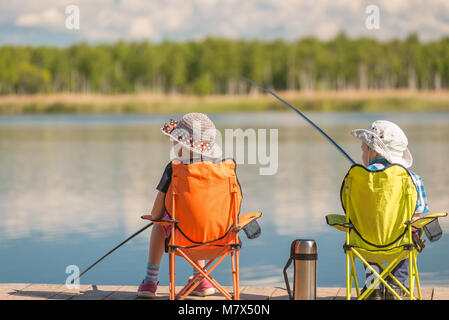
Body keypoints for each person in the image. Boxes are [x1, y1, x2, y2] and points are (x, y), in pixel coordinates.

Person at [137, 113, 223, 299]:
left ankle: (150, 282)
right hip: (217, 234)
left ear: (182, 145)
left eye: (175, 141)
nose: (173, 145)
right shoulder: (221, 170)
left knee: (159, 224)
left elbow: (156, 212)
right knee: (198, 219)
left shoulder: (174, 169)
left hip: (182, 235)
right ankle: (202, 278)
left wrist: (156, 217)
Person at [350, 120, 429, 300]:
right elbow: (417, 218)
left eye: (363, 149)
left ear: (374, 151)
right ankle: (397, 285)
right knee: (411, 232)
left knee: (364, 229)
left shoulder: (357, 180)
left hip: (364, 246)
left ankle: (373, 285)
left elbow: (351, 213)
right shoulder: (413, 179)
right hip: (400, 247)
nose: (362, 153)